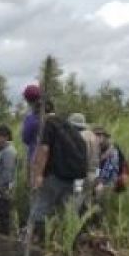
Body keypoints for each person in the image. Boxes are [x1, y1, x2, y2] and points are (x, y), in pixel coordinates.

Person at [27, 101, 88, 244]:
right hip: (73, 178)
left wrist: (38, 175)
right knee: (69, 213)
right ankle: (70, 244)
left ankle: (36, 243)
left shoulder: (48, 124)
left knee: (39, 208)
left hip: (55, 175)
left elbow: (44, 150)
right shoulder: (68, 126)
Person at [67, 113, 101, 219]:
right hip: (93, 174)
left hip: (80, 176)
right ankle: (86, 226)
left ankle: (72, 227)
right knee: (87, 202)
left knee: (75, 202)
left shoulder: (78, 137)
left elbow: (79, 158)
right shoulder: (93, 136)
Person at [90, 126, 123, 226]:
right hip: (99, 181)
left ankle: (101, 225)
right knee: (95, 203)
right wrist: (96, 179)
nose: (98, 138)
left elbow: (110, 167)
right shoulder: (98, 148)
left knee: (102, 204)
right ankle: (94, 223)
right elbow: (97, 166)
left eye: (100, 135)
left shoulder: (112, 150)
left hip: (109, 182)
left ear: (105, 137)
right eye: (96, 135)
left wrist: (101, 182)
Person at [0, 125, 18, 235]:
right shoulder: (3, 150)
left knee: (4, 217)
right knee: (1, 217)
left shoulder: (8, 152)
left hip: (2, 190)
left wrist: (3, 189)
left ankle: (4, 240)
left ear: (5, 137)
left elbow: (8, 172)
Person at [20, 82, 44, 169]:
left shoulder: (31, 118)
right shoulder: (47, 114)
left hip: (35, 157)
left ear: (28, 100)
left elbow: (25, 138)